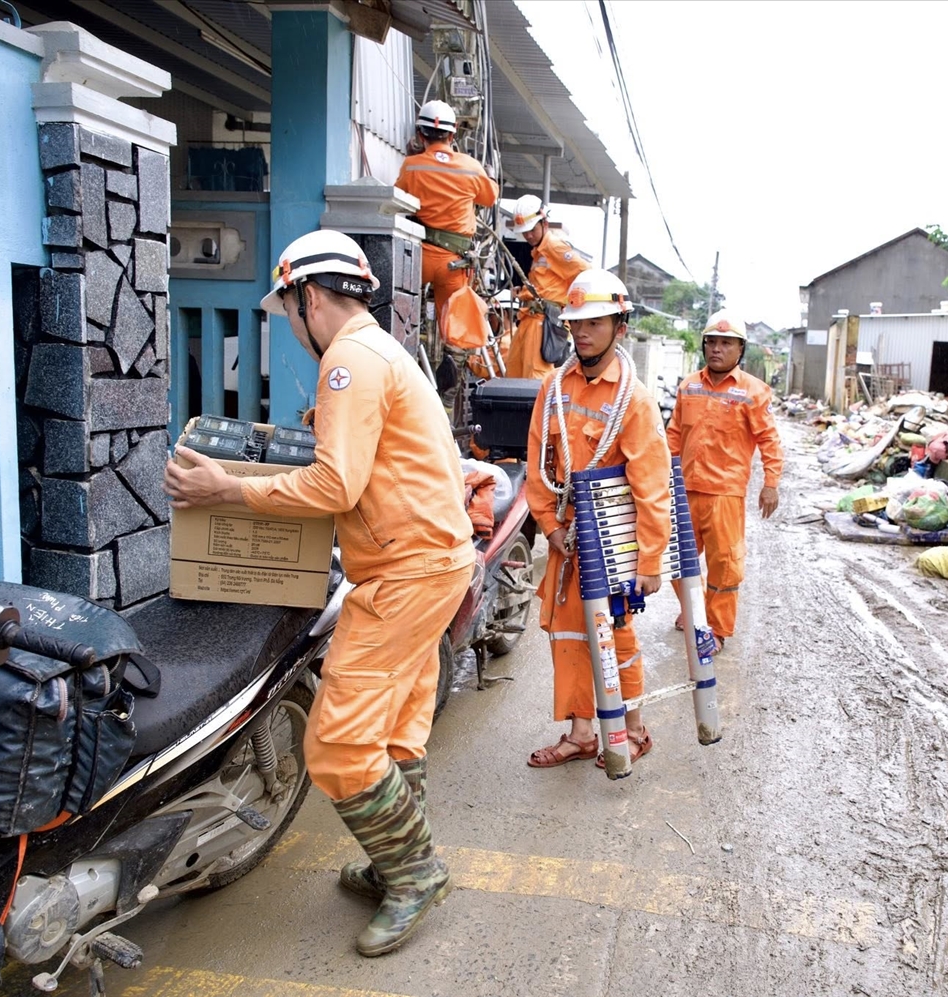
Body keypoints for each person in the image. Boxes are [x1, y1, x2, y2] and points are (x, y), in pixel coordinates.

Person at [163, 230, 473, 958]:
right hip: (430, 560)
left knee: (335, 742)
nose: (292, 329)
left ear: (307, 296)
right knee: (395, 726)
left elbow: (337, 485)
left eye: (289, 310)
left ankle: (417, 871)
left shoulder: (348, 363)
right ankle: (395, 857)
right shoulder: (383, 352)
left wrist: (226, 486)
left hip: (405, 571)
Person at [525, 270, 671, 768]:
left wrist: (649, 562)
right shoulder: (553, 389)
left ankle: (634, 730)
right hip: (568, 537)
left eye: (595, 322)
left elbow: (652, 487)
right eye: (576, 323)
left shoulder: (634, 399)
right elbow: (539, 467)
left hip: (613, 539)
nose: (582, 332)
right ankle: (581, 732)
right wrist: (550, 526)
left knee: (616, 636)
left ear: (620, 326)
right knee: (567, 634)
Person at [666, 308, 785, 650]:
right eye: (712, 342)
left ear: (740, 350)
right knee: (677, 560)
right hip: (684, 488)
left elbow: (769, 441)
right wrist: (662, 476)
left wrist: (771, 483)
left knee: (724, 566)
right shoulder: (688, 386)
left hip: (725, 494)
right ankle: (693, 609)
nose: (717, 349)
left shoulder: (754, 391)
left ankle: (715, 630)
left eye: (726, 344)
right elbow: (673, 435)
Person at [395, 99, 498, 321]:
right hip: (454, 261)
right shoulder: (471, 167)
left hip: (420, 257)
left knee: (402, 312)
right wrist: (490, 175)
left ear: (421, 135)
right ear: (453, 135)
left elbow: (397, 199)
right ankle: (453, 354)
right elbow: (490, 198)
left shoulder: (412, 166)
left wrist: (413, 159)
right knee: (453, 322)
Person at [506, 194, 593, 380]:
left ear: (544, 222)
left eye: (532, 229)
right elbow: (545, 285)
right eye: (525, 231)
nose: (528, 235)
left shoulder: (554, 246)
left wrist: (571, 307)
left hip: (542, 322)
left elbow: (586, 272)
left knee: (535, 378)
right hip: (530, 319)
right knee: (514, 373)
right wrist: (522, 292)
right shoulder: (539, 251)